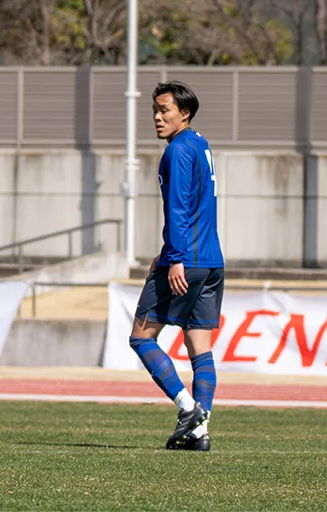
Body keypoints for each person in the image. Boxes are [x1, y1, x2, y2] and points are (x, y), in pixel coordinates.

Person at [128, 80, 223, 451]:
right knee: (198, 344)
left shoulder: (177, 150)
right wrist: (167, 250)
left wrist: (176, 257)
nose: (157, 117)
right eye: (155, 110)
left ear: (184, 113)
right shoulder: (200, 143)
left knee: (141, 336)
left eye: (164, 110)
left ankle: (187, 408)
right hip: (212, 261)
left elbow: (179, 208)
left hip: (187, 259)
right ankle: (199, 433)